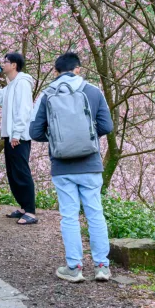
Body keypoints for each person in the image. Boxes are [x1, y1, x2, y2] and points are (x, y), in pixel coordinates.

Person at [30, 51, 114, 282]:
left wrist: (60, 140)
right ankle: (101, 267)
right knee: (95, 214)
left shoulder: (47, 94)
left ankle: (74, 268)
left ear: (56, 72)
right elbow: (107, 125)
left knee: (69, 216)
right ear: (78, 69)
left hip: (62, 166)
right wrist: (85, 138)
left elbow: (34, 132)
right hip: (91, 163)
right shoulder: (94, 91)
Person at [0, 51, 37, 225]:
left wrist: (16, 133)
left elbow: (24, 109)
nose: (2, 64)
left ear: (14, 65)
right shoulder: (11, 85)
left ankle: (31, 212)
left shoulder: (23, 83)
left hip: (19, 136)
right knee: (12, 172)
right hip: (10, 136)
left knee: (21, 172)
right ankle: (24, 207)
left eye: (6, 61)